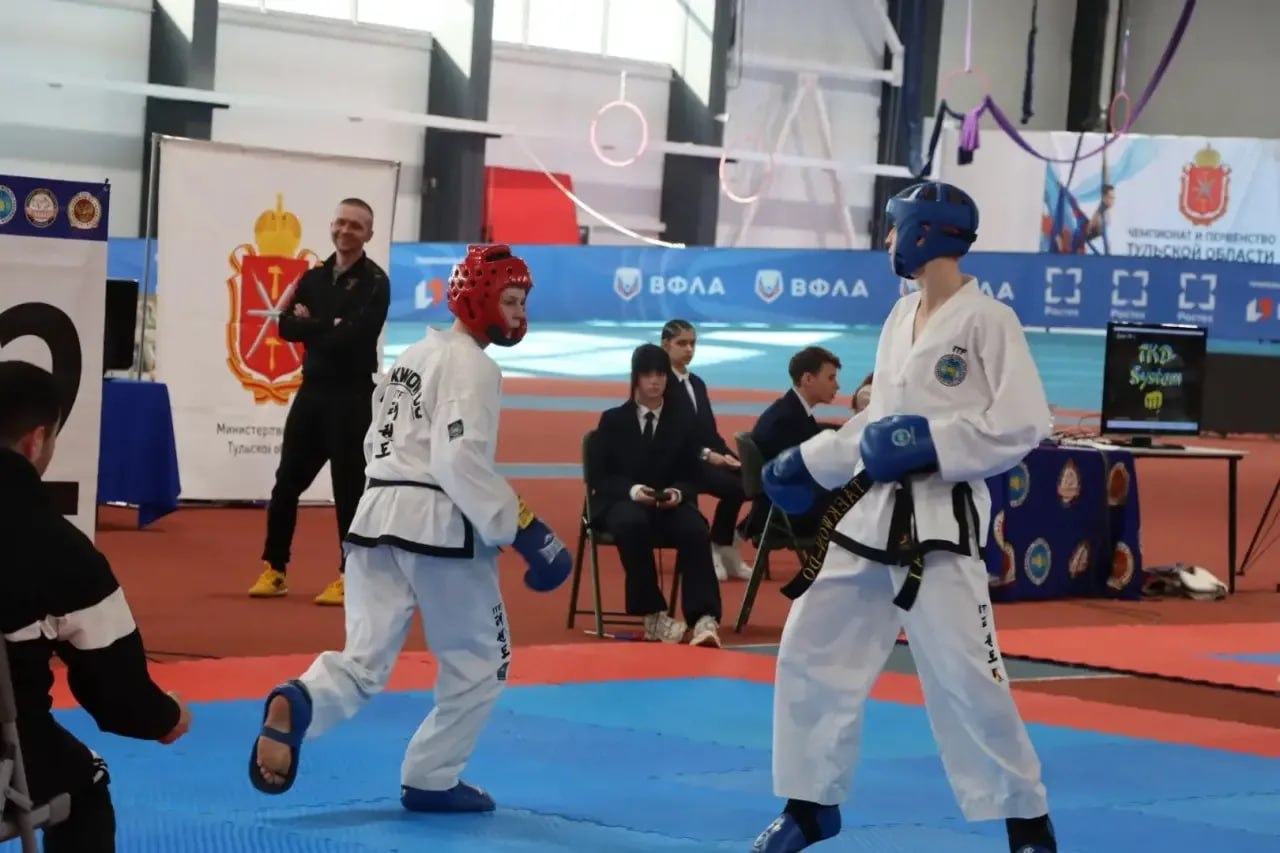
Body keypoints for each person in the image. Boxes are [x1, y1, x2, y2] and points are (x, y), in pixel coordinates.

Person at [752, 182, 1059, 853]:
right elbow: (877, 427)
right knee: (810, 647)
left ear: (925, 232)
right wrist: (810, 461)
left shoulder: (989, 321)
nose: (888, 239)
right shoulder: (901, 315)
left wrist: (934, 443)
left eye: (895, 227)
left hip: (940, 524)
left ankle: (1028, 821)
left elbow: (1024, 422)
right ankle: (810, 804)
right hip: (869, 518)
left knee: (968, 677)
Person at [247, 244, 572, 813]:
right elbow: (458, 458)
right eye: (510, 300)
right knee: (479, 662)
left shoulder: (411, 356)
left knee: (363, 660)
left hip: (374, 517)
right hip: (438, 523)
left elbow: (376, 442)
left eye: (523, 302)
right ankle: (431, 777)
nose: (520, 314)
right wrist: (524, 529)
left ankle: (301, 702)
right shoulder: (474, 365)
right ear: (477, 300)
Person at [0, 360, 191, 851]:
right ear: (36, 441)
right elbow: (116, 687)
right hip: (6, 758)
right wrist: (164, 716)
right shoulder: (56, 547)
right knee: (85, 785)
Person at [248, 197, 391, 606]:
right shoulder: (311, 277)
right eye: (341, 223)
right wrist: (330, 323)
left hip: (352, 397)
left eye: (356, 226)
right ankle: (275, 568)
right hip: (311, 393)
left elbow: (357, 335)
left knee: (348, 490)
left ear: (369, 234)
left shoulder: (376, 283)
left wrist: (312, 324)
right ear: (332, 225)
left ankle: (350, 574)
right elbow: (285, 326)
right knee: (285, 483)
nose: (346, 231)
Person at [588, 344, 723, 646]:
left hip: (668, 505)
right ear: (635, 377)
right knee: (631, 523)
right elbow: (599, 477)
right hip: (622, 503)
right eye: (647, 374)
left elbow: (694, 474)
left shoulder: (683, 421)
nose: (654, 381)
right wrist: (634, 491)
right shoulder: (612, 420)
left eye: (660, 374)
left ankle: (704, 618)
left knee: (695, 528)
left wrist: (678, 492)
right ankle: (652, 615)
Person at [659, 319, 750, 580]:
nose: (689, 349)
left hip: (704, 455)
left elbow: (709, 431)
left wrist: (730, 457)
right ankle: (710, 546)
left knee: (750, 481)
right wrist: (708, 455)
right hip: (679, 462)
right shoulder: (660, 384)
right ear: (665, 345)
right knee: (733, 488)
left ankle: (724, 545)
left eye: (692, 343)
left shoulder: (697, 383)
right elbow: (669, 435)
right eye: (682, 343)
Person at [741, 346, 843, 541]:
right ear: (808, 379)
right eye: (831, 378)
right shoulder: (786, 420)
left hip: (780, 505)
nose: (837, 386)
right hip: (788, 513)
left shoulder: (792, 410)